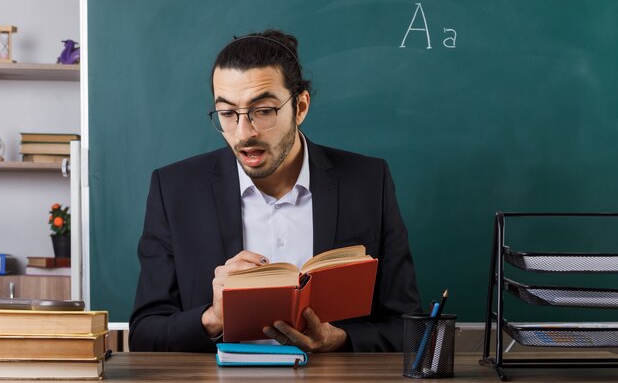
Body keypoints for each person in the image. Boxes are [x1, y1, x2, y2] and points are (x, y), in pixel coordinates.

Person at [129, 29, 421, 353]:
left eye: (263, 111)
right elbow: (145, 334)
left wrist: (339, 339)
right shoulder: (174, 191)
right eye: (227, 113)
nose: (243, 133)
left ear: (300, 107)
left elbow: (408, 326)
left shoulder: (368, 182)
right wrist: (213, 318)